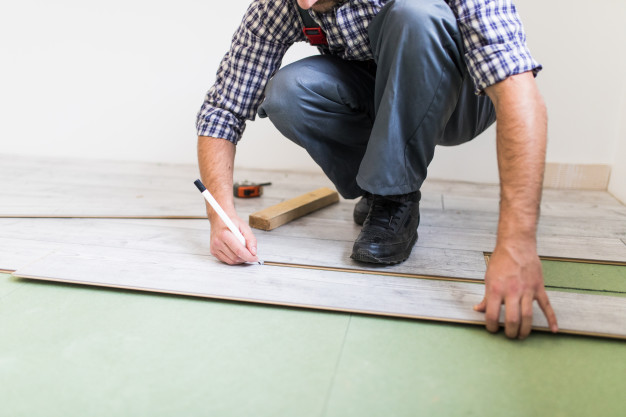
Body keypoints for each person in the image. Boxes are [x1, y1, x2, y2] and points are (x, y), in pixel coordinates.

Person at [196, 0, 559, 339]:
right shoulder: (282, 6)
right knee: (289, 92)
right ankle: (384, 194)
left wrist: (516, 245)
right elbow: (223, 109)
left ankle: (392, 193)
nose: (305, 4)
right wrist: (220, 216)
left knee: (415, 16)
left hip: (463, 99)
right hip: (382, 92)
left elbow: (517, 90)